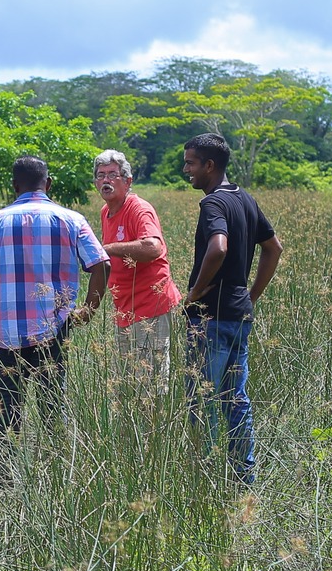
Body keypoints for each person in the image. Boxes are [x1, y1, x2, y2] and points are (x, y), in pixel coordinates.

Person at [0, 155, 110, 474]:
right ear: (48, 184)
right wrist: (87, 310)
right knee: (52, 407)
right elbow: (102, 265)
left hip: (7, 332)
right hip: (55, 330)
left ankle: (2, 479)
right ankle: (55, 475)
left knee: (9, 407)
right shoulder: (71, 219)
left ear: (14, 186)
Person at [180, 132, 283, 486]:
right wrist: (250, 295)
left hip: (210, 318)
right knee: (234, 399)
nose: (186, 169)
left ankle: (204, 478)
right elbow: (274, 248)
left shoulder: (213, 204)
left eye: (191, 163)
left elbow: (219, 248)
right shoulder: (246, 199)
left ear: (210, 165)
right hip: (239, 314)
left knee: (202, 401)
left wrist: (194, 293)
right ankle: (243, 477)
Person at [93, 148, 180, 380]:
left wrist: (108, 249)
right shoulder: (106, 211)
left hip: (150, 307)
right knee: (127, 383)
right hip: (125, 309)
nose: (106, 181)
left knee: (150, 384)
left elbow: (153, 247)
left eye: (113, 175)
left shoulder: (138, 208)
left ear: (128, 181)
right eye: (100, 176)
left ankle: (155, 418)